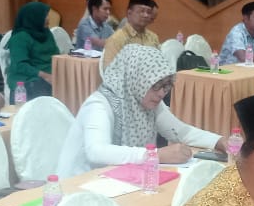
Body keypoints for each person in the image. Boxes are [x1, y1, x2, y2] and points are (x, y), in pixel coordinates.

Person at [57, 44, 228, 177]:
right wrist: (156, 155)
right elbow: (97, 152)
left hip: (120, 180)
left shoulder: (146, 99)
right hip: (81, 187)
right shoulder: (100, 104)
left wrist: (219, 141)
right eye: (156, 86)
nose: (161, 93)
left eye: (166, 86)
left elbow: (180, 131)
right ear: (136, 80)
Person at [5, 1, 60, 102]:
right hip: (27, 80)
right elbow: (20, 66)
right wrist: (45, 76)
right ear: (33, 18)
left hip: (50, 77)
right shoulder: (20, 38)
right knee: (44, 95)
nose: (48, 19)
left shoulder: (46, 33)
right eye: (45, 16)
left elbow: (56, 55)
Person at [101, 0, 160, 69]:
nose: (146, 15)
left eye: (148, 12)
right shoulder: (116, 39)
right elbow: (109, 70)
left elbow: (158, 64)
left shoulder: (153, 37)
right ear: (129, 13)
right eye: (141, 11)